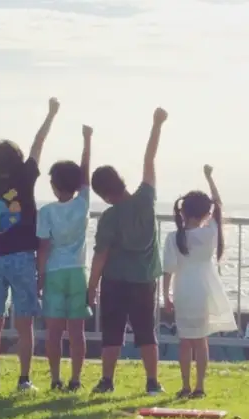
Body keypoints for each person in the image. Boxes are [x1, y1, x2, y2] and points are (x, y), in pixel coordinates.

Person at [0, 97, 60, 391]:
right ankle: (24, 379)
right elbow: (38, 143)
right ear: (17, 159)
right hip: (23, 258)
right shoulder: (25, 177)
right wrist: (51, 114)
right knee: (25, 324)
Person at [87, 107, 168, 395]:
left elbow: (100, 255)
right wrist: (157, 124)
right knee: (146, 331)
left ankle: (107, 381)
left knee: (112, 333)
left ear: (104, 195)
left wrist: (91, 287)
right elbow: (149, 159)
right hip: (145, 279)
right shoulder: (146, 200)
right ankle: (152, 382)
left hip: (115, 280)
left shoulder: (109, 218)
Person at [162, 165, 237, 399]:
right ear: (205, 213)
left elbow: (168, 270)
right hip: (203, 289)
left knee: (185, 341)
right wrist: (209, 178)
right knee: (201, 340)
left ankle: (185, 385)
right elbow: (218, 204)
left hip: (183, 289)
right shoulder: (210, 233)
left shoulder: (174, 237)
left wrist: (165, 296)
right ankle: (200, 387)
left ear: (183, 212)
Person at [36, 125, 93, 392]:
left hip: (54, 272)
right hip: (78, 272)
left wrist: (40, 275)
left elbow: (44, 247)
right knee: (77, 332)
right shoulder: (83, 203)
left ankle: (55, 378)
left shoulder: (46, 212)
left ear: (54, 186)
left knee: (54, 332)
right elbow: (86, 174)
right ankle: (76, 379)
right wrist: (87, 141)